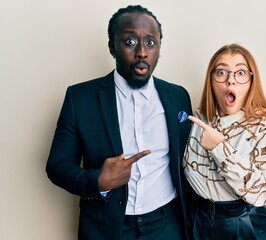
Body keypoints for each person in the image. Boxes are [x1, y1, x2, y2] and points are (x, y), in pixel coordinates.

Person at [46, 5, 192, 240]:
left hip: (167, 225)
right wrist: (98, 181)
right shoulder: (80, 98)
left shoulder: (178, 97)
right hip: (107, 228)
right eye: (130, 41)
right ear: (112, 47)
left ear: (159, 50)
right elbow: (57, 166)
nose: (142, 52)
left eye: (151, 43)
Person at [183, 43, 266, 240]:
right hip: (197, 220)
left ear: (251, 80)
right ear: (211, 80)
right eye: (221, 72)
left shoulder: (264, 126)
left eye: (240, 73)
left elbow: (261, 192)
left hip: (241, 223)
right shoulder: (198, 119)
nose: (231, 81)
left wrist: (220, 148)